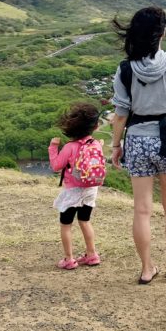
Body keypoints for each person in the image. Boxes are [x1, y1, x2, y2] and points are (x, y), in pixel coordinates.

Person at [110, 6, 166, 284]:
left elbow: (120, 114)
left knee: (142, 209)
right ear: (162, 33)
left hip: (137, 141)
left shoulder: (125, 70)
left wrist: (115, 145)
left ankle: (147, 269)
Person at [48, 102, 103, 270]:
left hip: (73, 191)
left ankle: (69, 259)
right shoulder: (96, 144)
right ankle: (92, 255)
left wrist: (53, 147)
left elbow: (56, 166)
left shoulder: (70, 147)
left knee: (66, 225)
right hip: (91, 189)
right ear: (93, 127)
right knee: (85, 221)